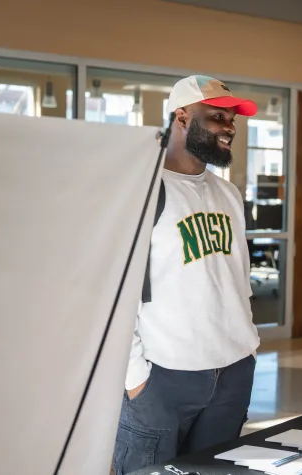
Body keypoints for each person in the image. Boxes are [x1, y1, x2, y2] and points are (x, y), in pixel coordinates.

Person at [113, 75, 260, 475]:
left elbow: (237, 279)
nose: (229, 127)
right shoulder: (143, 188)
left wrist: (245, 354)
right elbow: (115, 291)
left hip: (231, 374)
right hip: (163, 379)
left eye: (231, 119)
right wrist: (135, 378)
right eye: (216, 117)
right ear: (181, 117)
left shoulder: (228, 194)